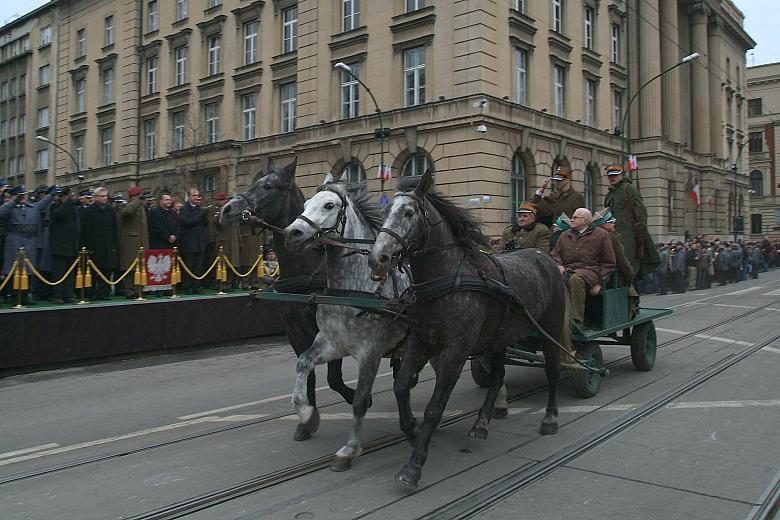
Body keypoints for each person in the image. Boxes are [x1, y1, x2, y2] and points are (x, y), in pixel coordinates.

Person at [550, 208, 615, 327]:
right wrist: (558, 265)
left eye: (575, 218)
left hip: (591, 271)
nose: (571, 220)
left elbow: (608, 263)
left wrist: (600, 283)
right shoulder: (565, 235)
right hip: (568, 269)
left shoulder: (601, 235)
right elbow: (555, 254)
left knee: (575, 280)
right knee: (553, 279)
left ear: (585, 220)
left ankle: (576, 320)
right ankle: (554, 317)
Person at [603, 164, 660, 280]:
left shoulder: (629, 189)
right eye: (610, 176)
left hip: (629, 239)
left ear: (621, 175)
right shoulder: (610, 194)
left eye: (615, 175)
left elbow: (642, 214)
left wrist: (637, 234)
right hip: (613, 238)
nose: (612, 178)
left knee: (629, 270)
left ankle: (633, 295)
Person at [0, 185, 55, 303]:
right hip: (14, 240)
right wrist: (14, 201)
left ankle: (25, 294)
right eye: (20, 195)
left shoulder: (32, 207)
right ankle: (14, 295)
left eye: (24, 195)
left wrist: (53, 194)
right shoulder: (10, 207)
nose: (23, 197)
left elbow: (43, 203)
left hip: (30, 241)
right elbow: (1, 213)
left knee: (28, 269)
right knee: (13, 269)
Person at [80, 187, 117, 300]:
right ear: (95, 197)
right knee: (93, 271)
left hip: (107, 245)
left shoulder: (110, 210)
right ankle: (91, 293)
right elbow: (86, 230)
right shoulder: (89, 211)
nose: (105, 198)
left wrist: (114, 245)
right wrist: (88, 246)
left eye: (106, 196)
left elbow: (113, 228)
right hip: (95, 246)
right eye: (102, 196)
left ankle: (103, 292)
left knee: (106, 270)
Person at [48, 187, 80, 304]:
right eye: (65, 196)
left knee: (70, 272)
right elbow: (59, 215)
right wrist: (67, 202)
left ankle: (68, 294)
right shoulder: (55, 207)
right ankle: (57, 295)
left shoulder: (72, 208)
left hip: (71, 245)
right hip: (59, 246)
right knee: (59, 272)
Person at [118, 186, 150, 298]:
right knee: (129, 267)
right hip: (130, 242)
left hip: (141, 242)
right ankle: (129, 289)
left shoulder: (141, 208)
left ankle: (139, 289)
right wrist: (136, 202)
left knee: (140, 267)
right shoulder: (125, 205)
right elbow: (126, 213)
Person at [179, 188, 209, 293]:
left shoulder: (199, 209)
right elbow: (186, 222)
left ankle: (197, 285)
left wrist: (204, 215)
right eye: (194, 195)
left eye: (197, 195)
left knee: (198, 266)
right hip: (190, 243)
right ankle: (187, 286)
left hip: (200, 243)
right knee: (189, 266)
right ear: (189, 197)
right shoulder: (184, 209)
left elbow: (205, 225)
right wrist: (199, 215)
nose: (196, 197)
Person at [211, 192, 240, 289]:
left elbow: (238, 225)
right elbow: (215, 221)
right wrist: (224, 209)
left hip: (234, 241)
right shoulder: (217, 210)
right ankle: (220, 283)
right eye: (221, 200)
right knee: (223, 264)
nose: (223, 202)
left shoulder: (234, 210)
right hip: (224, 241)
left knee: (233, 264)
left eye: (224, 200)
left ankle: (230, 283)